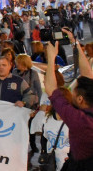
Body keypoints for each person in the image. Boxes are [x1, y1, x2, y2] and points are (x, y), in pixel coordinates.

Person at [43, 33, 93, 170]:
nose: (71, 92)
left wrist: (51, 57)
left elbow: (50, 89)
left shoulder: (78, 119)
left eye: (73, 91)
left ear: (80, 99)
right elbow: (88, 75)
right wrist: (74, 42)